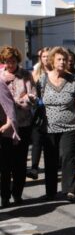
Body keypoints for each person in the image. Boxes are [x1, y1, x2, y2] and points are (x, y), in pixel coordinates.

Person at [40, 47, 75, 202]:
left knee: (67, 157)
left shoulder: (72, 80)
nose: (62, 62)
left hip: (70, 126)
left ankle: (69, 190)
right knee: (51, 159)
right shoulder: (43, 79)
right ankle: (51, 191)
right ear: (53, 60)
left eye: (64, 59)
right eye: (59, 59)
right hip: (49, 127)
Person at [0, 46, 36, 206]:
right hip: (5, 127)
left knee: (20, 162)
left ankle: (17, 193)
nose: (10, 65)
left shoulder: (26, 75)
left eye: (13, 61)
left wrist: (18, 102)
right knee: (5, 164)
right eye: (7, 62)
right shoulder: (0, 77)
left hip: (23, 123)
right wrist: (18, 100)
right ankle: (5, 196)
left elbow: (32, 97)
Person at [28, 47, 51, 180]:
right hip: (38, 110)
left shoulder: (57, 71)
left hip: (53, 112)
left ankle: (53, 166)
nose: (46, 59)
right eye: (44, 56)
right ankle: (34, 168)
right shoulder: (35, 73)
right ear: (40, 58)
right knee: (36, 139)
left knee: (50, 142)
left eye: (48, 56)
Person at [0, 79, 19, 208]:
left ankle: (5, 196)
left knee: (4, 168)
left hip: (2, 132)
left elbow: (8, 104)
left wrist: (8, 123)